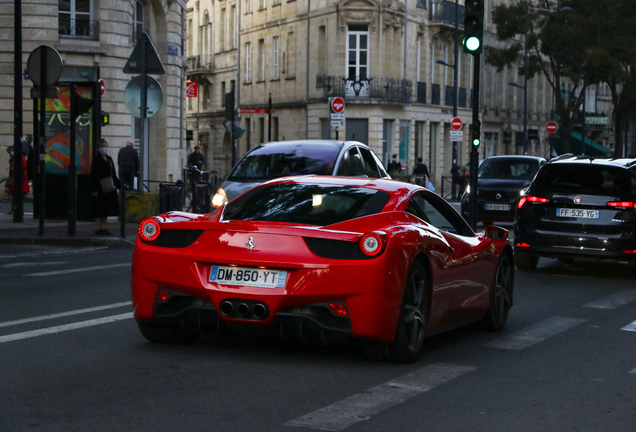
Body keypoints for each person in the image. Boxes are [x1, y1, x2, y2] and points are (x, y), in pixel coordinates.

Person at [91, 139, 121, 236]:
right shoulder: (96, 160)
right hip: (100, 188)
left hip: (109, 187)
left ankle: (103, 227)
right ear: (98, 148)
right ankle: (98, 228)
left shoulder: (109, 159)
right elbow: (94, 175)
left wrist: (119, 184)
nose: (103, 148)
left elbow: (113, 174)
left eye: (105, 146)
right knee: (99, 209)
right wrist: (94, 188)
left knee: (106, 209)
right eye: (101, 146)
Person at [5, 145, 29, 214]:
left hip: (19, 177)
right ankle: (16, 209)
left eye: (10, 152)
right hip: (18, 177)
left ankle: (17, 209)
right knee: (17, 195)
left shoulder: (18, 158)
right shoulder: (18, 158)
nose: (10, 154)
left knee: (17, 195)